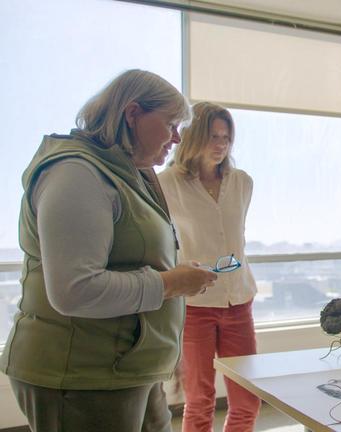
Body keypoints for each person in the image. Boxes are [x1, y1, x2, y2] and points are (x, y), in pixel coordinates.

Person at [0, 70, 217, 432]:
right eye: (171, 124)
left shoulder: (131, 173)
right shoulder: (76, 173)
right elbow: (76, 291)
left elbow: (131, 258)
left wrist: (173, 281)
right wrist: (170, 284)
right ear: (132, 114)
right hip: (82, 376)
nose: (178, 138)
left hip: (128, 368)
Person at [158, 102, 260, 432]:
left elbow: (235, 239)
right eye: (213, 136)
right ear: (192, 137)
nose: (221, 144)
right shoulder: (166, 183)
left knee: (248, 399)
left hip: (238, 301)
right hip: (194, 306)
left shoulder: (243, 182)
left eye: (226, 137)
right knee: (199, 399)